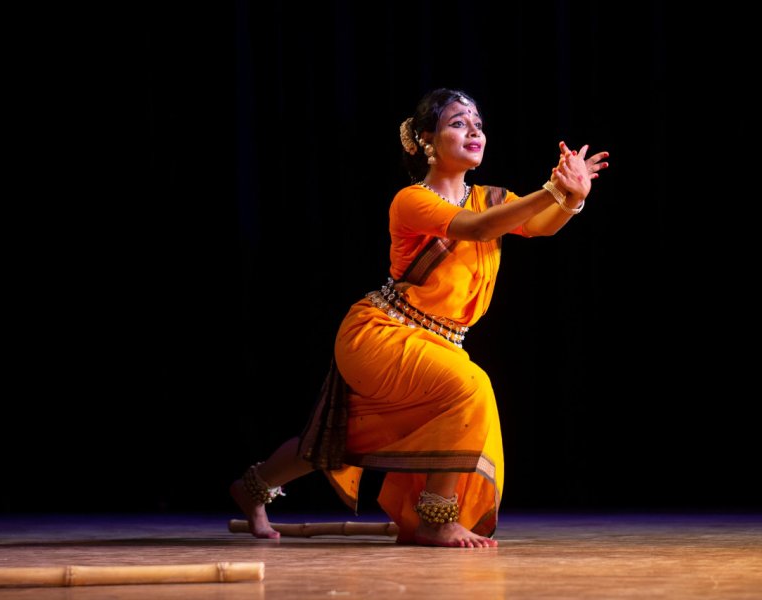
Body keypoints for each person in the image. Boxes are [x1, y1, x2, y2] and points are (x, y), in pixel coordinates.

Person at [231, 88, 610, 548]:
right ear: (426, 140)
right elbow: (478, 229)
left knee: (343, 436)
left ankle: (251, 488)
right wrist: (551, 190)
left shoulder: (491, 198)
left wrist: (571, 198)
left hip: (436, 342)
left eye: (478, 123)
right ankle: (435, 516)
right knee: (471, 387)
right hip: (383, 334)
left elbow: (538, 224)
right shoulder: (411, 201)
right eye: (457, 122)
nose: (474, 129)